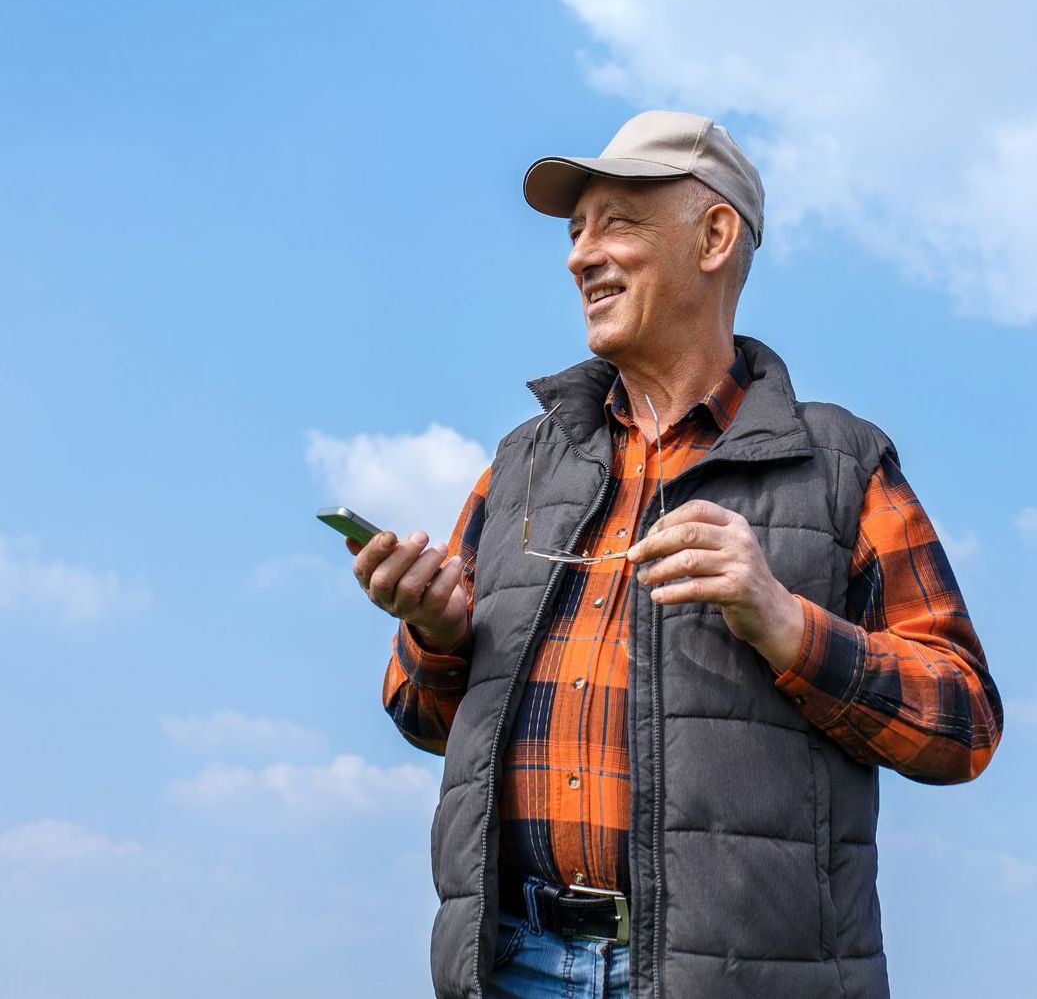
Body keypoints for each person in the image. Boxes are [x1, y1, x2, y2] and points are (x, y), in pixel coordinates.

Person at [349, 111, 1003, 999]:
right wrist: (436, 636)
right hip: (513, 966)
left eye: (615, 222)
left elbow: (962, 723)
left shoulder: (842, 465)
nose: (579, 256)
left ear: (714, 235)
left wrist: (786, 624)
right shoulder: (521, 465)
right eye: (575, 232)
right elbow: (423, 718)